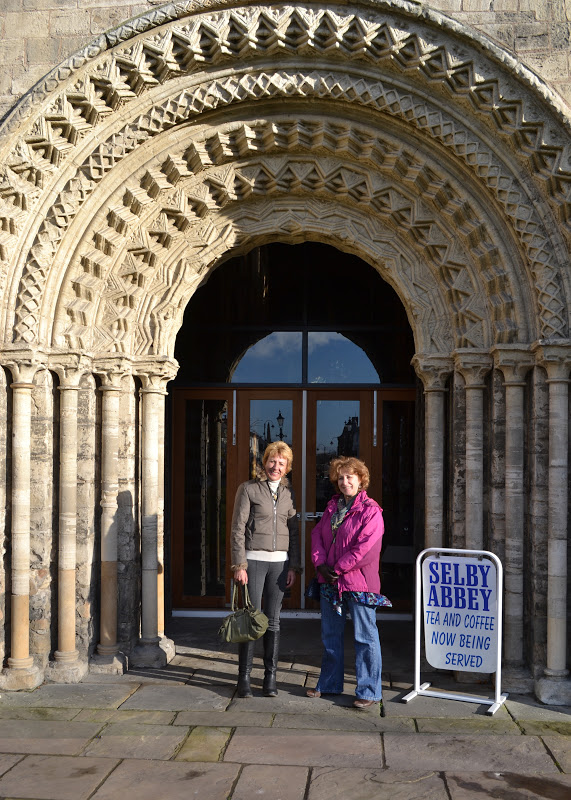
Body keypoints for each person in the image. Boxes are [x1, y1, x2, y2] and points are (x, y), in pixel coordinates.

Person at [307, 456, 388, 712]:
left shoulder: (371, 510)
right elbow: (316, 535)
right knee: (330, 635)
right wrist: (320, 563)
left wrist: (338, 568)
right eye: (340, 477)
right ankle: (330, 684)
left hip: (358, 583)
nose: (344, 482)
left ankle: (369, 691)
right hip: (329, 580)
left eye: (349, 477)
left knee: (365, 637)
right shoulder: (332, 507)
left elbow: (367, 548)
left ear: (361, 479)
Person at [230, 441, 300, 698]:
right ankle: (244, 678)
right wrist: (239, 564)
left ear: (287, 468)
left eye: (282, 463)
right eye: (272, 461)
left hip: (280, 565)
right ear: (264, 462)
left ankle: (270, 678)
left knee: (273, 620)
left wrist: (294, 565)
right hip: (253, 562)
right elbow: (237, 528)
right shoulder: (248, 489)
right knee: (251, 619)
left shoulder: (288, 494)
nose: (276, 466)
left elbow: (294, 531)